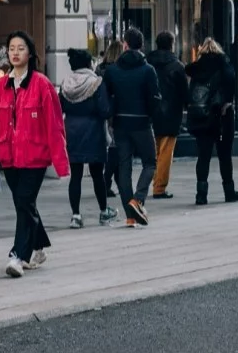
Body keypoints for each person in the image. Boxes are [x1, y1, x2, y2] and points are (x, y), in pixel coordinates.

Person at [0, 33, 67, 277]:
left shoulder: (41, 85)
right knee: (24, 204)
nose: (15, 53)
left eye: (21, 48)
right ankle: (38, 247)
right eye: (11, 48)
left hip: (35, 157)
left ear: (30, 53)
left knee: (24, 202)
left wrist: (61, 164)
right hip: (9, 158)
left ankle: (18, 255)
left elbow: (54, 125)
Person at [104, 30, 161, 224]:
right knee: (150, 161)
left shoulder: (112, 70)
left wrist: (111, 115)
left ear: (125, 45)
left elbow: (106, 97)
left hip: (120, 123)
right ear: (141, 46)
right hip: (142, 122)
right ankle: (138, 199)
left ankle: (130, 216)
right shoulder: (148, 70)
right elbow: (154, 98)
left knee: (124, 166)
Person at [56, 47, 116, 227]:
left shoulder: (66, 83)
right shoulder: (96, 83)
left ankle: (76, 215)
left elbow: (60, 108)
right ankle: (104, 211)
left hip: (72, 131)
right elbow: (104, 110)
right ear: (89, 63)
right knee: (97, 174)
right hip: (93, 131)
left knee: (75, 175)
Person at [185, 37, 238, 204]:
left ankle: (201, 194)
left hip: (203, 118)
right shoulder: (224, 64)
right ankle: (229, 191)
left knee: (203, 156)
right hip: (221, 116)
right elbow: (231, 82)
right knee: (225, 155)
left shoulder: (197, 69)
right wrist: (226, 101)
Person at [147, 33, 189, 200]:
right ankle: (159, 187)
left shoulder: (148, 63)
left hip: (151, 113)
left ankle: (151, 182)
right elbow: (184, 93)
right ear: (172, 44)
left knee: (153, 151)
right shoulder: (177, 66)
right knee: (165, 153)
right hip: (171, 113)